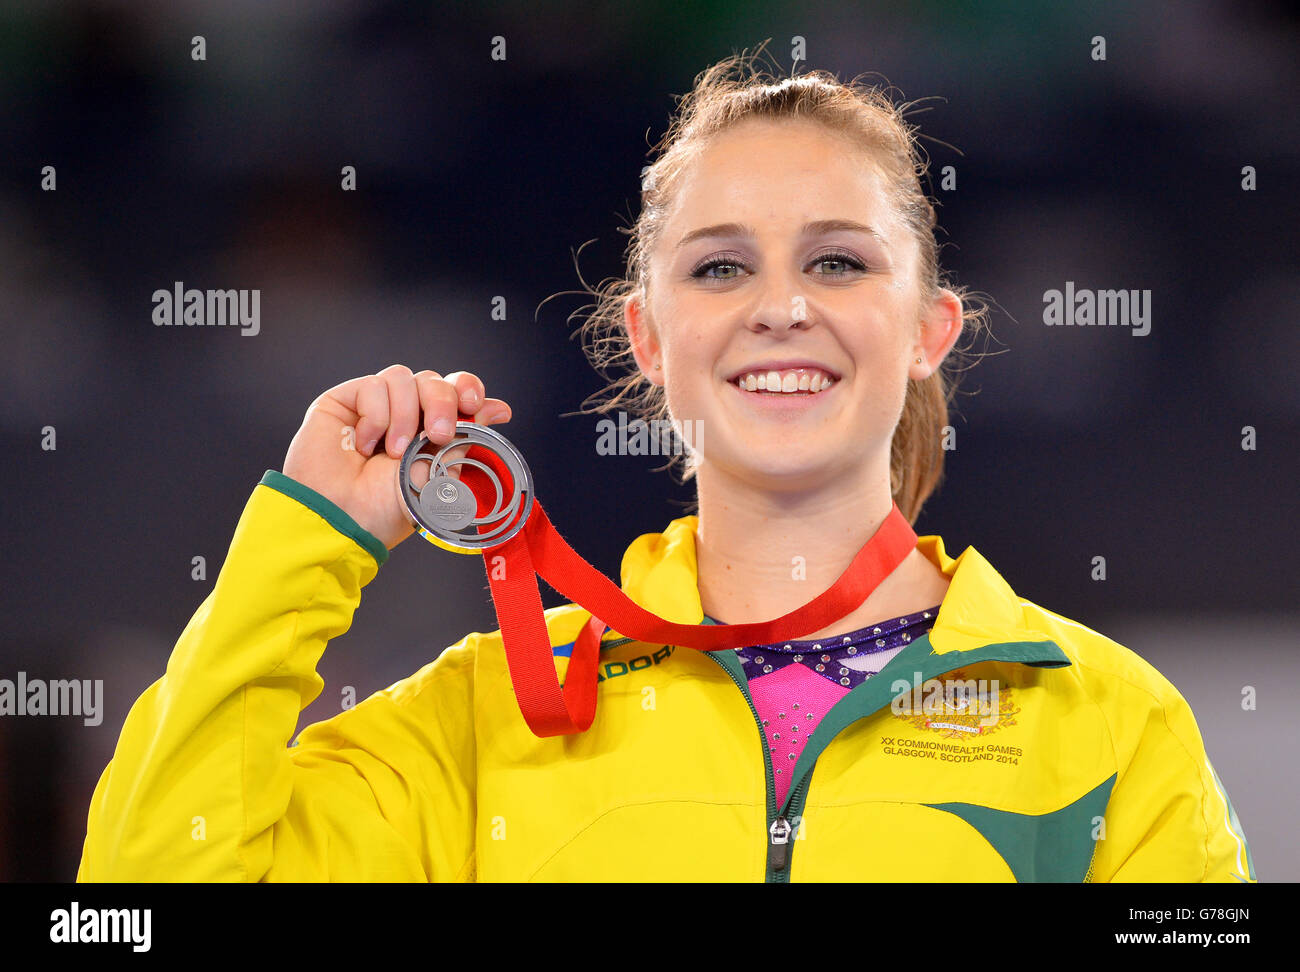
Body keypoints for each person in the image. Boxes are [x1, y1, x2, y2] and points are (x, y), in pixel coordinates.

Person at [77, 54, 1256, 883]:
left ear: (927, 330)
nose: (781, 307)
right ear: (649, 339)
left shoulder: (1105, 724)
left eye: (839, 263)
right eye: (717, 268)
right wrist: (304, 547)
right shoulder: (484, 724)